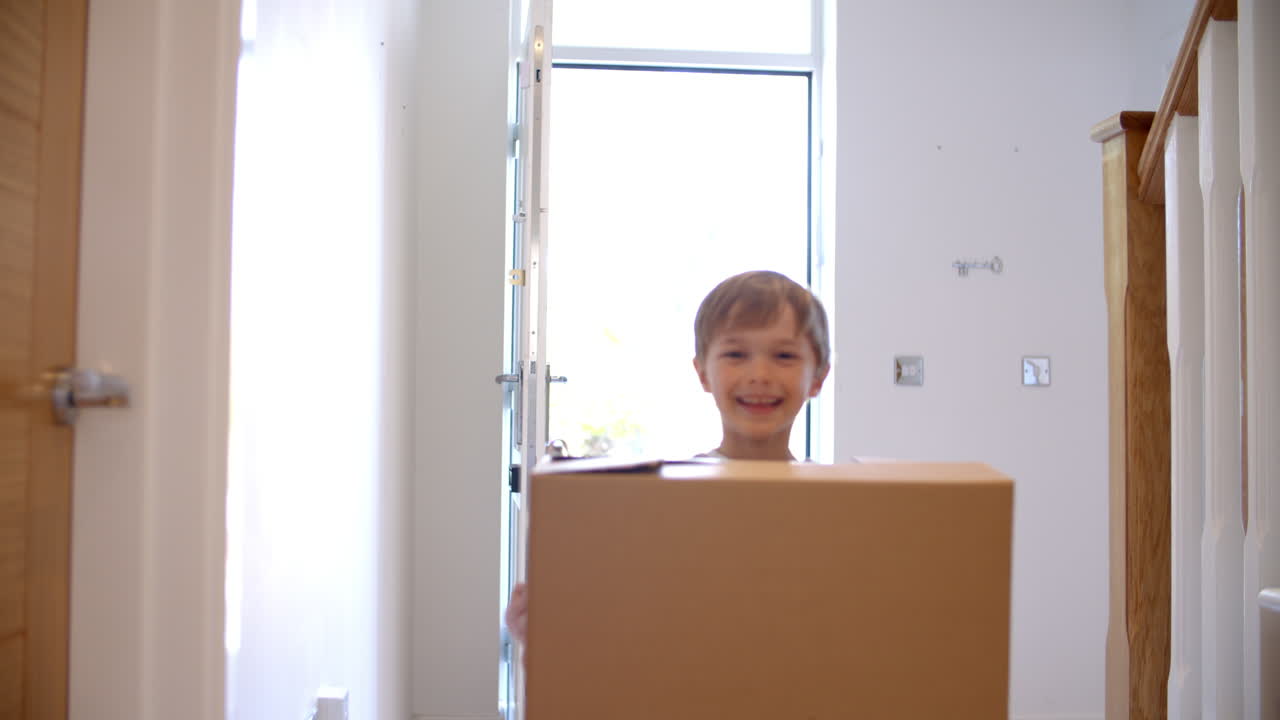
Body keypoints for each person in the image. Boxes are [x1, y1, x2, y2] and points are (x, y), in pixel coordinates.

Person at [503, 270, 832, 647]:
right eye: (736, 354)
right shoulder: (665, 502)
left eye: (784, 356)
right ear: (703, 372)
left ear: (818, 376)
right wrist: (543, 630)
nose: (759, 374)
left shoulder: (836, 506)